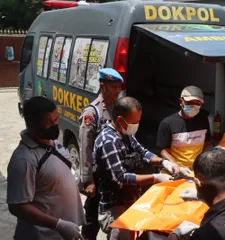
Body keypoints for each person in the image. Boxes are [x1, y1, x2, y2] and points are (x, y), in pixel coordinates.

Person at [94, 96, 181, 239]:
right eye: (135, 122)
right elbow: (120, 178)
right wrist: (156, 177)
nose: (137, 125)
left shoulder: (126, 134)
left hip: (130, 201)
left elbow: (142, 152)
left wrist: (164, 162)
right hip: (114, 208)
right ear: (121, 120)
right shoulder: (109, 141)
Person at [7, 96, 85, 240]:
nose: (54, 125)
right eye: (48, 122)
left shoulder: (53, 142)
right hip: (43, 235)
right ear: (31, 124)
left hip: (63, 233)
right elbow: (17, 205)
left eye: (56, 120)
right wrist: (59, 225)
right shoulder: (24, 160)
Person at [79, 68, 123, 240]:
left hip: (112, 173)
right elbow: (85, 147)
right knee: (91, 216)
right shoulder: (92, 113)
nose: (118, 91)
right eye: (114, 87)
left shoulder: (118, 108)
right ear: (102, 87)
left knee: (112, 214)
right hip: (97, 175)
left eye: (119, 87)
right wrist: (87, 180)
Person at [157, 85, 212, 174]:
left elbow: (207, 144)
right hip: (174, 170)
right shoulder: (167, 123)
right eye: (189, 102)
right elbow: (163, 151)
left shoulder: (204, 121)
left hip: (198, 171)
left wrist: (206, 160)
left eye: (197, 103)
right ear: (181, 101)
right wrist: (175, 166)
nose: (193, 106)